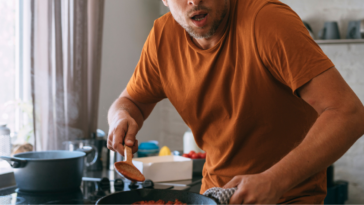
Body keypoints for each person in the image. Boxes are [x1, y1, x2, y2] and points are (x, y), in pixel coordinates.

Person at [107, 0, 364, 204]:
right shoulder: (162, 36)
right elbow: (131, 101)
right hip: (212, 196)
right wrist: (121, 118)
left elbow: (349, 114)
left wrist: (274, 181)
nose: (194, 1)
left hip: (285, 197)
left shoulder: (269, 21)